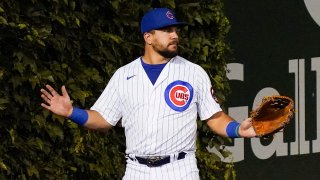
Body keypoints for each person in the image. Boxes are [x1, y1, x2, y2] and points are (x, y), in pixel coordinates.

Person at [40, 8, 256, 180]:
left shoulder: (193, 72)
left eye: (175, 30)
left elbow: (214, 117)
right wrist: (71, 112)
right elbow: (104, 119)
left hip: (180, 170)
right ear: (148, 37)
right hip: (136, 171)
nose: (174, 35)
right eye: (166, 30)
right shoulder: (123, 75)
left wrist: (238, 129)